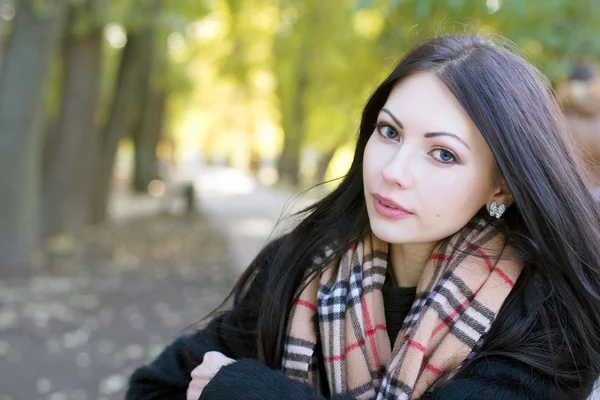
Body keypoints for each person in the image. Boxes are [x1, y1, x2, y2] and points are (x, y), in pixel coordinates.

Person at [126, 34, 600, 400]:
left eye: (442, 154)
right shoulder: (302, 266)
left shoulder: (546, 313)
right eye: (389, 132)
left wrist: (244, 388)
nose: (393, 172)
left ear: (501, 185)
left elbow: (221, 384)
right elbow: (154, 387)